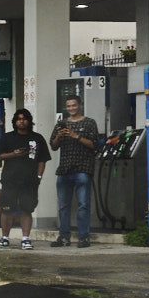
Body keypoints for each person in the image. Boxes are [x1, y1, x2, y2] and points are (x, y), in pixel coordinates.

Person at [0, 108, 50, 250]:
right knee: (7, 210)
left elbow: (42, 160)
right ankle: (5, 238)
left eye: (24, 118)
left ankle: (26, 239)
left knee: (27, 210)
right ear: (15, 122)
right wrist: (13, 154)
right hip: (10, 180)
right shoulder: (7, 137)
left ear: (29, 121)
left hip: (30, 181)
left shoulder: (37, 138)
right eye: (19, 119)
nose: (22, 121)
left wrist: (38, 177)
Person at [51, 94, 101, 248]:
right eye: (68, 106)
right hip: (65, 169)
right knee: (63, 206)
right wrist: (59, 136)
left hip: (83, 169)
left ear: (80, 105)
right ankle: (63, 237)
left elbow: (95, 145)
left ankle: (83, 237)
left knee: (83, 204)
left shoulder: (89, 123)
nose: (71, 108)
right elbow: (53, 146)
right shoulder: (61, 124)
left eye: (74, 105)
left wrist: (76, 136)